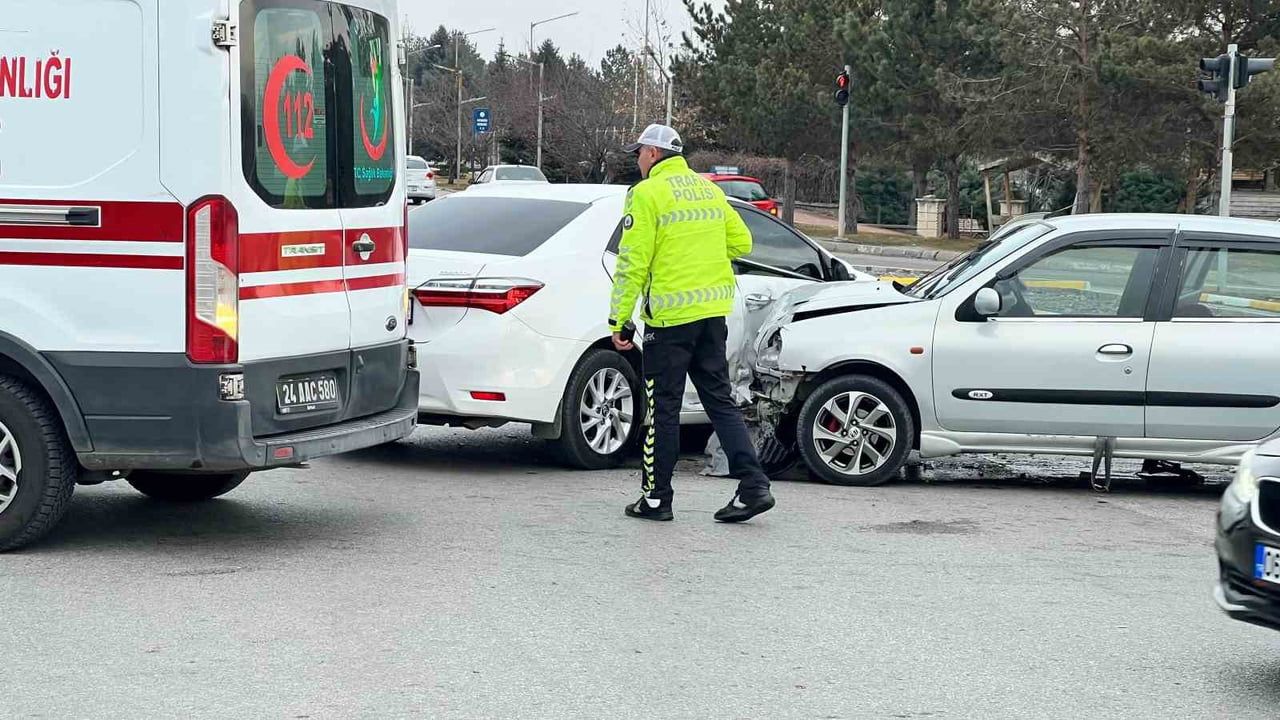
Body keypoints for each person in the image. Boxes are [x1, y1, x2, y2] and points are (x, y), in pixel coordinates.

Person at [608, 123, 775, 524]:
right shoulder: (710, 190)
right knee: (719, 400)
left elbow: (633, 262)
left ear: (652, 153)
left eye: (639, 153)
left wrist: (619, 319)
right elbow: (742, 243)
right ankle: (753, 486)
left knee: (662, 408)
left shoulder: (647, 195)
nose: (637, 160)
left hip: (669, 321)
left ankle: (655, 499)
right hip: (711, 315)